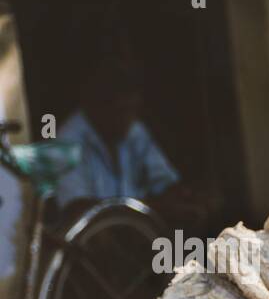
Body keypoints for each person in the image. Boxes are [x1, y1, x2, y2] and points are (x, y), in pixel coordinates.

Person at [54, 57, 203, 227]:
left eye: (133, 109)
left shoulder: (132, 130)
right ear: (97, 106)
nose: (129, 119)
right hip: (91, 243)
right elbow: (77, 210)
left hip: (135, 236)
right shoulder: (67, 141)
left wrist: (186, 198)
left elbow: (166, 183)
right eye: (121, 111)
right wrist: (158, 208)